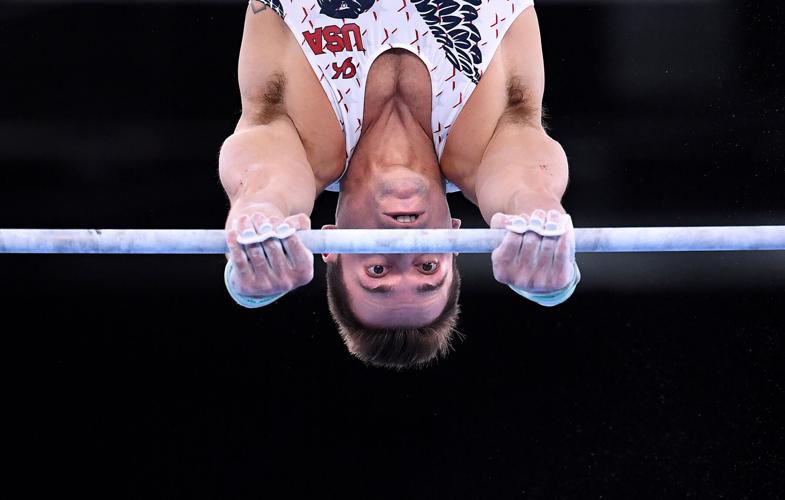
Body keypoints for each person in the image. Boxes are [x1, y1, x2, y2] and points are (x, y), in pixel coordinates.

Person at [218, 0, 581, 369]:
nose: (404, 246)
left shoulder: (302, 143)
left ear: (330, 242)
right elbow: (524, 185)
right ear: (454, 239)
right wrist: (546, 249)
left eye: (377, 270)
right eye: (427, 267)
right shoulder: (486, 144)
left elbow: (267, 182)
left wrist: (258, 222)